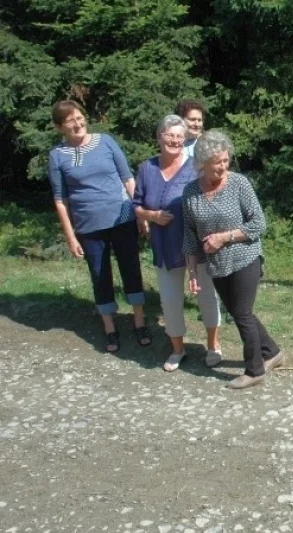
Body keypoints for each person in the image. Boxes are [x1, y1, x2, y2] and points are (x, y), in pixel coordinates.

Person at [182, 130, 284, 389]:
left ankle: (254, 370)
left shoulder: (239, 183)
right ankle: (272, 352)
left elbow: (258, 223)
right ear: (202, 162)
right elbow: (191, 236)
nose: (223, 166)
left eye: (226, 160)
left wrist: (224, 237)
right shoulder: (191, 193)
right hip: (216, 265)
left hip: (245, 258)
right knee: (241, 312)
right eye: (218, 162)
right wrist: (192, 272)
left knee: (241, 313)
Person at [47, 99, 150, 353]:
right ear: (60, 127)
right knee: (99, 274)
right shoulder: (57, 156)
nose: (78, 123)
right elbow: (61, 201)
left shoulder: (105, 141)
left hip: (122, 218)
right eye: (70, 121)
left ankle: (139, 320)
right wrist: (71, 237)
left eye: (80, 117)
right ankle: (109, 326)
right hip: (88, 226)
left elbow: (127, 178)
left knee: (131, 268)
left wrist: (140, 213)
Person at [133, 115, 222, 372]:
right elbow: (136, 205)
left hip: (198, 243)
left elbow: (214, 195)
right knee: (170, 301)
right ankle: (177, 349)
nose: (174, 140)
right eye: (169, 135)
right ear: (159, 137)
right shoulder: (146, 168)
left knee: (207, 297)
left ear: (185, 140)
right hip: (165, 244)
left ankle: (213, 345)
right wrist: (153, 216)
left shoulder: (196, 166)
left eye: (178, 136)